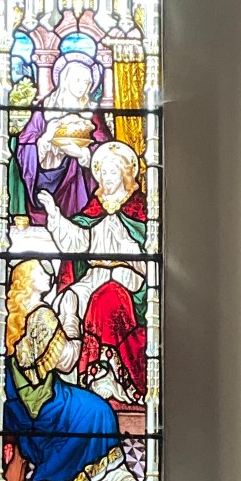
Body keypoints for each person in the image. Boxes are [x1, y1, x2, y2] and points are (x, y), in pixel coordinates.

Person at [3, 259, 137, 481]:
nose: (49, 275)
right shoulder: (43, 316)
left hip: (17, 404)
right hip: (45, 402)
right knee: (98, 410)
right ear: (29, 282)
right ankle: (67, 478)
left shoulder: (14, 316)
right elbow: (67, 362)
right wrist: (71, 317)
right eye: (42, 272)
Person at [37, 141, 147, 402]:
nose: (107, 178)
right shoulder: (96, 207)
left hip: (126, 275)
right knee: (69, 298)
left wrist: (129, 247)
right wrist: (55, 215)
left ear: (125, 174)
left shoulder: (139, 209)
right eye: (103, 172)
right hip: (95, 273)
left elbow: (146, 253)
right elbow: (79, 243)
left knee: (105, 299)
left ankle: (109, 374)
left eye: (113, 172)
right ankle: (70, 368)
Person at [16, 54, 110, 224]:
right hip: (45, 174)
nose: (82, 86)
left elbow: (105, 147)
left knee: (77, 215)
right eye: (78, 80)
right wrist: (45, 139)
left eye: (86, 82)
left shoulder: (92, 112)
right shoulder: (45, 108)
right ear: (66, 80)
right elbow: (25, 142)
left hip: (77, 176)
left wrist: (82, 154)